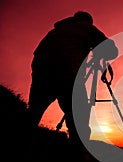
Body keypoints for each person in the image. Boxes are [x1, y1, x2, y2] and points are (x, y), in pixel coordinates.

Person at [28, 11, 118, 144]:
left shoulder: (54, 32)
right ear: (87, 21)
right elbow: (112, 51)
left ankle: (20, 148)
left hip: (41, 74)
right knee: (79, 120)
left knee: (33, 113)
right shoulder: (86, 27)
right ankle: (76, 158)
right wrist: (98, 51)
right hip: (68, 75)